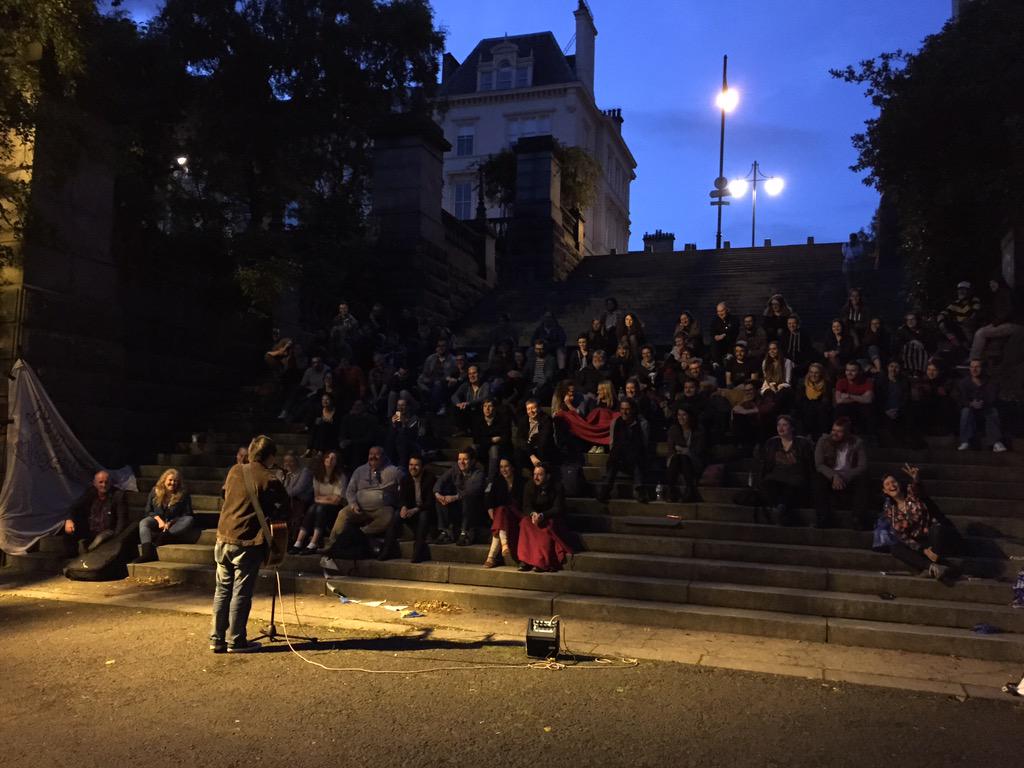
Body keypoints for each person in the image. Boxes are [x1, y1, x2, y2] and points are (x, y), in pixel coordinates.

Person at [211, 435, 288, 654]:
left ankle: (217, 639)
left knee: (222, 590)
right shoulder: (269, 478)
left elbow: (225, 494)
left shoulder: (235, 470)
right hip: (247, 541)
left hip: (223, 537)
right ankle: (236, 640)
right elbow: (284, 508)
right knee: (241, 592)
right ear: (270, 456)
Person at [881, 464, 960, 580]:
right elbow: (902, 536)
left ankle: (935, 565)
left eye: (893, 482)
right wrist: (922, 550)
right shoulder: (891, 511)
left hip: (932, 537)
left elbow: (917, 487)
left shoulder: (911, 494)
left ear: (899, 483)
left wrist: (916, 478)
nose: (892, 485)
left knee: (937, 529)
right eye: (887, 484)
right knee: (895, 547)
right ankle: (932, 567)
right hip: (918, 545)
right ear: (885, 491)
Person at [319, 446, 402, 555]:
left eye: (377, 454)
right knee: (343, 513)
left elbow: (403, 488)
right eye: (371, 454)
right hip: (359, 508)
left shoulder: (393, 471)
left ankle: (361, 533)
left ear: (383, 456)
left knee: (389, 516)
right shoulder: (360, 471)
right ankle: (331, 544)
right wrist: (353, 504)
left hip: (381, 508)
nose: (373, 457)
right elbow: (350, 491)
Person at [813, 418, 870, 529]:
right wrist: (834, 476)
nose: (834, 434)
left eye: (839, 431)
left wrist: (843, 476)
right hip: (830, 477)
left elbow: (862, 466)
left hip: (848, 477)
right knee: (817, 478)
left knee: (863, 479)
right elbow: (819, 464)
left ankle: (858, 519)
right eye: (833, 430)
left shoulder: (857, 443)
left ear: (847, 433)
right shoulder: (823, 441)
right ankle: (823, 518)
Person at [758, 415, 814, 525]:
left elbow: (808, 466)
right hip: (776, 477)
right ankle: (782, 510)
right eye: (778, 425)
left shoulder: (802, 443)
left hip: (794, 478)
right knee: (768, 485)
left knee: (790, 489)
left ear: (792, 428)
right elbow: (766, 465)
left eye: (784, 425)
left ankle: (781, 509)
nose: (780, 428)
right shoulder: (772, 443)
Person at [379, 455, 435, 563]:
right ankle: (387, 550)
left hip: (425, 510)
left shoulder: (430, 478)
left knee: (424, 515)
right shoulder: (405, 479)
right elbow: (402, 498)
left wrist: (416, 509)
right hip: (411, 511)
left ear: (422, 467)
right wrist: (403, 507)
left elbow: (430, 502)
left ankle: (418, 552)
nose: (413, 468)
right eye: (411, 465)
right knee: (396, 515)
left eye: (416, 465)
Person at [517, 464, 572, 572]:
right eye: (534, 474)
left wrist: (542, 515)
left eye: (540, 475)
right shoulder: (529, 485)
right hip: (535, 517)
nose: (536, 477)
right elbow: (526, 506)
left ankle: (541, 561)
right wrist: (533, 514)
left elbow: (557, 508)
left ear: (548, 476)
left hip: (550, 516)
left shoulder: (557, 487)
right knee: (524, 522)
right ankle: (525, 560)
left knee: (546, 527)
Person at [290, 450, 347, 554]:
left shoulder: (340, 477)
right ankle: (298, 542)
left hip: (335, 508)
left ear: (336, 462)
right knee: (314, 507)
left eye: (333, 458)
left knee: (318, 507)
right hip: (319, 506)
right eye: (327, 457)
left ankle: (313, 542)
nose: (329, 460)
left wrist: (324, 498)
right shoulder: (318, 475)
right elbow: (316, 497)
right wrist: (329, 497)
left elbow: (337, 500)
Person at [135, 468, 194, 563]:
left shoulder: (183, 494)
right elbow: (148, 511)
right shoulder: (155, 491)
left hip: (175, 523)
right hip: (158, 520)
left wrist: (171, 523)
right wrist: (159, 520)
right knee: (144, 522)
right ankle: (147, 553)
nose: (173, 483)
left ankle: (162, 538)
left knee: (189, 519)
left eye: (175, 481)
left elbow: (187, 513)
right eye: (170, 480)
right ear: (164, 480)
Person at [64, 470, 128, 556]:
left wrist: (116, 538)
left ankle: (87, 552)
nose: (104, 485)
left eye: (106, 482)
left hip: (107, 531)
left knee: (99, 540)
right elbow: (75, 507)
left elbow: (121, 519)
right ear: (95, 483)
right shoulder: (90, 493)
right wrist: (69, 519)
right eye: (100, 482)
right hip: (91, 529)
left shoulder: (117, 495)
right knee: (69, 531)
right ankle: (71, 557)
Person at [597, 399, 649, 503]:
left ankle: (640, 491)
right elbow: (612, 442)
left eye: (627, 409)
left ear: (633, 410)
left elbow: (644, 444)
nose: (624, 412)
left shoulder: (642, 424)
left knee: (637, 459)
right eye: (622, 409)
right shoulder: (616, 423)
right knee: (614, 459)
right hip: (620, 456)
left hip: (635, 456)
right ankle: (605, 490)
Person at [434, 448, 486, 545]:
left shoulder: (479, 473)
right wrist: (438, 494)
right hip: (459, 507)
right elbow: (441, 481)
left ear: (472, 461)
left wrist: (454, 497)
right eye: (459, 459)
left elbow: (470, 491)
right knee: (441, 498)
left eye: (465, 459)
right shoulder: (455, 469)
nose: (461, 462)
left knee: (467, 498)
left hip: (474, 509)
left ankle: (465, 532)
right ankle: (446, 531)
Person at [956, 358, 1007, 452]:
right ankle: (965, 441)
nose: (974, 369)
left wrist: (982, 403)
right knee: (965, 411)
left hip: (986, 407)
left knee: (993, 411)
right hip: (971, 408)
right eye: (972, 367)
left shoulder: (990, 381)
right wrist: (971, 404)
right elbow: (961, 398)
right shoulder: (964, 382)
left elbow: (992, 397)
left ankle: (996, 442)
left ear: (982, 368)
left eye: (977, 367)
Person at [484, 458, 525, 568]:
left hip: (516, 515)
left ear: (512, 467)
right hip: (501, 517)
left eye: (506, 466)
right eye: (501, 467)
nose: (504, 469)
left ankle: (492, 556)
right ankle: (503, 546)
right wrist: (491, 511)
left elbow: (523, 504)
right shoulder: (498, 481)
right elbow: (490, 501)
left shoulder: (521, 482)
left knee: (502, 511)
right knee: (501, 510)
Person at [665, 408, 705, 502]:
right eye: (679, 415)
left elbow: (698, 451)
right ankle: (671, 490)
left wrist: (685, 451)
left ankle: (690, 490)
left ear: (690, 416)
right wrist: (683, 451)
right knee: (677, 458)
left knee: (683, 457)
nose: (681, 417)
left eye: (684, 415)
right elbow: (671, 450)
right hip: (676, 461)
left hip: (694, 461)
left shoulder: (698, 430)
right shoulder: (674, 430)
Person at [472, 397, 513, 481]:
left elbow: (505, 438)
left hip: (500, 448)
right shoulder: (478, 420)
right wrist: (491, 440)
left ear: (495, 408)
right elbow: (476, 439)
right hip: (484, 447)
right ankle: (474, 478)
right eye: (485, 406)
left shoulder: (503, 419)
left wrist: (486, 440)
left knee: (494, 449)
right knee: (472, 449)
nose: (487, 409)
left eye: (490, 406)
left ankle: (491, 481)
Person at [834, 361, 875, 435]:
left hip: (861, 408)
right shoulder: (841, 382)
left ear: (859, 372)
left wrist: (849, 396)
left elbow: (868, 399)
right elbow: (839, 400)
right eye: (847, 370)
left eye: (853, 371)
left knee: (867, 410)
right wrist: (861, 398)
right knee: (840, 408)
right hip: (848, 407)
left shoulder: (867, 381)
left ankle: (866, 437)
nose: (849, 373)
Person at [280, 451, 313, 544]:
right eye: (286, 461)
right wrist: (285, 478)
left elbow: (298, 489)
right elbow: (281, 488)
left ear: (296, 461)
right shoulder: (286, 474)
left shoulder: (305, 472)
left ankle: (293, 538)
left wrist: (282, 495)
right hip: (290, 500)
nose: (288, 464)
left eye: (291, 461)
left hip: (303, 500)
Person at [515, 398, 557, 470]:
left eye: (533, 408)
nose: (530, 411)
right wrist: (531, 455)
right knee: (518, 452)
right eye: (528, 409)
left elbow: (543, 440)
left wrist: (532, 441)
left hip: (541, 449)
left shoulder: (546, 419)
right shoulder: (523, 420)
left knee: (543, 448)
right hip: (529, 450)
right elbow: (519, 439)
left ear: (539, 408)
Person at [795, 362, 832, 440]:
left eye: (816, 373)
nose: (813, 375)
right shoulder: (802, 384)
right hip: (805, 412)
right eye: (811, 372)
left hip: (820, 413)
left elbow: (826, 402)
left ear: (821, 374)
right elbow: (798, 402)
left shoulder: (827, 385)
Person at [450, 363, 490, 435]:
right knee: (456, 407)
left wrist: (468, 403)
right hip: (469, 414)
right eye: (469, 374)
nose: (472, 376)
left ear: (479, 374)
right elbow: (454, 396)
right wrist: (458, 404)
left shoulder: (485, 385)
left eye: (474, 373)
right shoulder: (466, 385)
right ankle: (462, 430)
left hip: (480, 414)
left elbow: (485, 397)